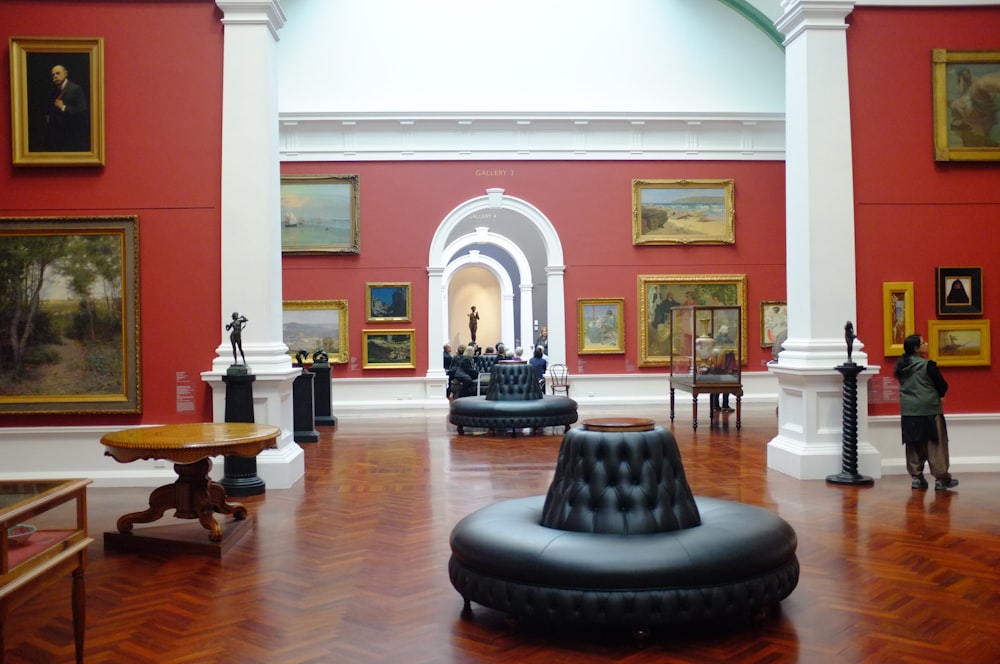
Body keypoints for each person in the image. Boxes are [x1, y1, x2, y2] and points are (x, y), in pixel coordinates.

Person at [894, 334, 958, 491]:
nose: (927, 344)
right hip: (930, 409)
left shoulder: (901, 367)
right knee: (935, 444)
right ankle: (941, 478)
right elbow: (942, 385)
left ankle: (917, 478)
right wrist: (939, 395)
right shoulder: (928, 365)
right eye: (923, 343)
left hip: (909, 411)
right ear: (916, 349)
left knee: (913, 444)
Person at [45, 64, 90, 152]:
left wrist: (63, 107)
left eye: (58, 73)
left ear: (65, 74)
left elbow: (82, 111)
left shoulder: (76, 89)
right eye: (53, 75)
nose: (55, 76)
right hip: (56, 137)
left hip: (72, 136)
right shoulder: (53, 91)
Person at [711, 325, 734, 413]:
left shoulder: (716, 339)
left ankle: (715, 404)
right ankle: (725, 405)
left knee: (717, 385)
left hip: (717, 365)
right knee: (725, 386)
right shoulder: (726, 340)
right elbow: (731, 346)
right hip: (725, 364)